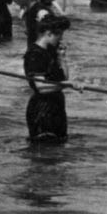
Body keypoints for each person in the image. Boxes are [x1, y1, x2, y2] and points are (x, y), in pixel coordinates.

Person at [23, 13, 73, 143]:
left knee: (58, 149)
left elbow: (64, 78)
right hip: (42, 109)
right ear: (49, 33)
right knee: (45, 151)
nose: (61, 39)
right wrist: (68, 85)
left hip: (56, 108)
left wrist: (62, 57)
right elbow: (41, 88)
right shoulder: (35, 54)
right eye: (59, 35)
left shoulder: (50, 51)